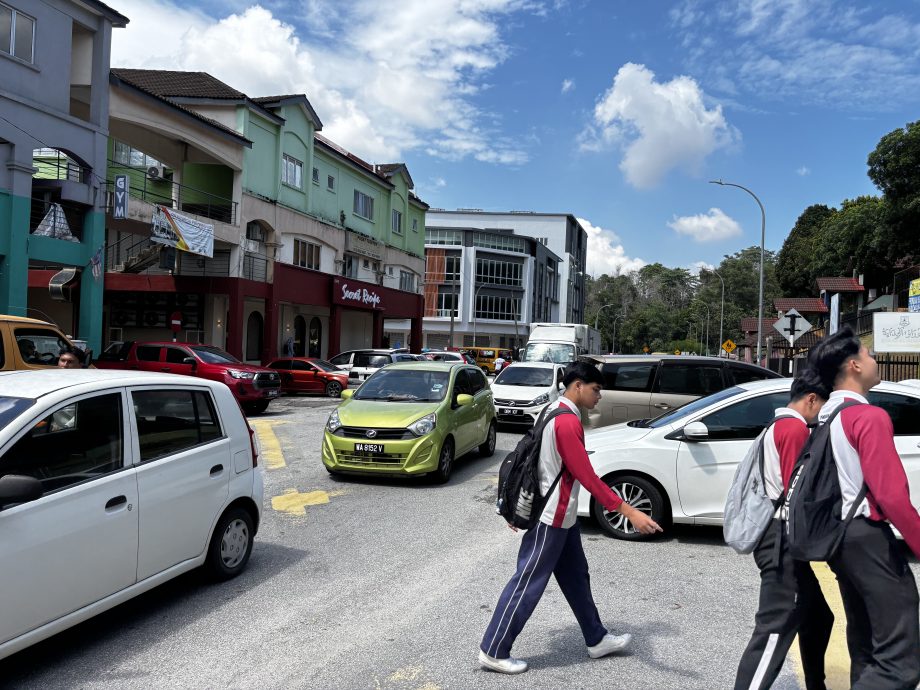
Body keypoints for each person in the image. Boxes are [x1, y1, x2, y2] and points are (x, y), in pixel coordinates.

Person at [479, 361, 662, 675]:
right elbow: (586, 476)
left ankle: (597, 638)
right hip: (552, 518)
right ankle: (494, 649)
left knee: (577, 577)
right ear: (578, 385)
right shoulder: (566, 422)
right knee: (527, 583)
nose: (599, 396)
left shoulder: (555, 410)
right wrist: (629, 511)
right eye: (595, 389)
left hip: (563, 518)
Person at [809, 326, 920, 688]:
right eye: (870, 355)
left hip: (839, 538)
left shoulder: (828, 415)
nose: (874, 360)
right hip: (868, 537)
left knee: (866, 641)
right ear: (855, 365)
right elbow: (891, 494)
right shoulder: (868, 417)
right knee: (897, 658)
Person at [734, 369, 834, 690]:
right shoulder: (793, 430)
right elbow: (798, 492)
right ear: (811, 399)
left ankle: (816, 685)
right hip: (781, 539)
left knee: (818, 615)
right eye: (823, 406)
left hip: (778, 534)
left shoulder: (778, 426)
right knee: (775, 629)